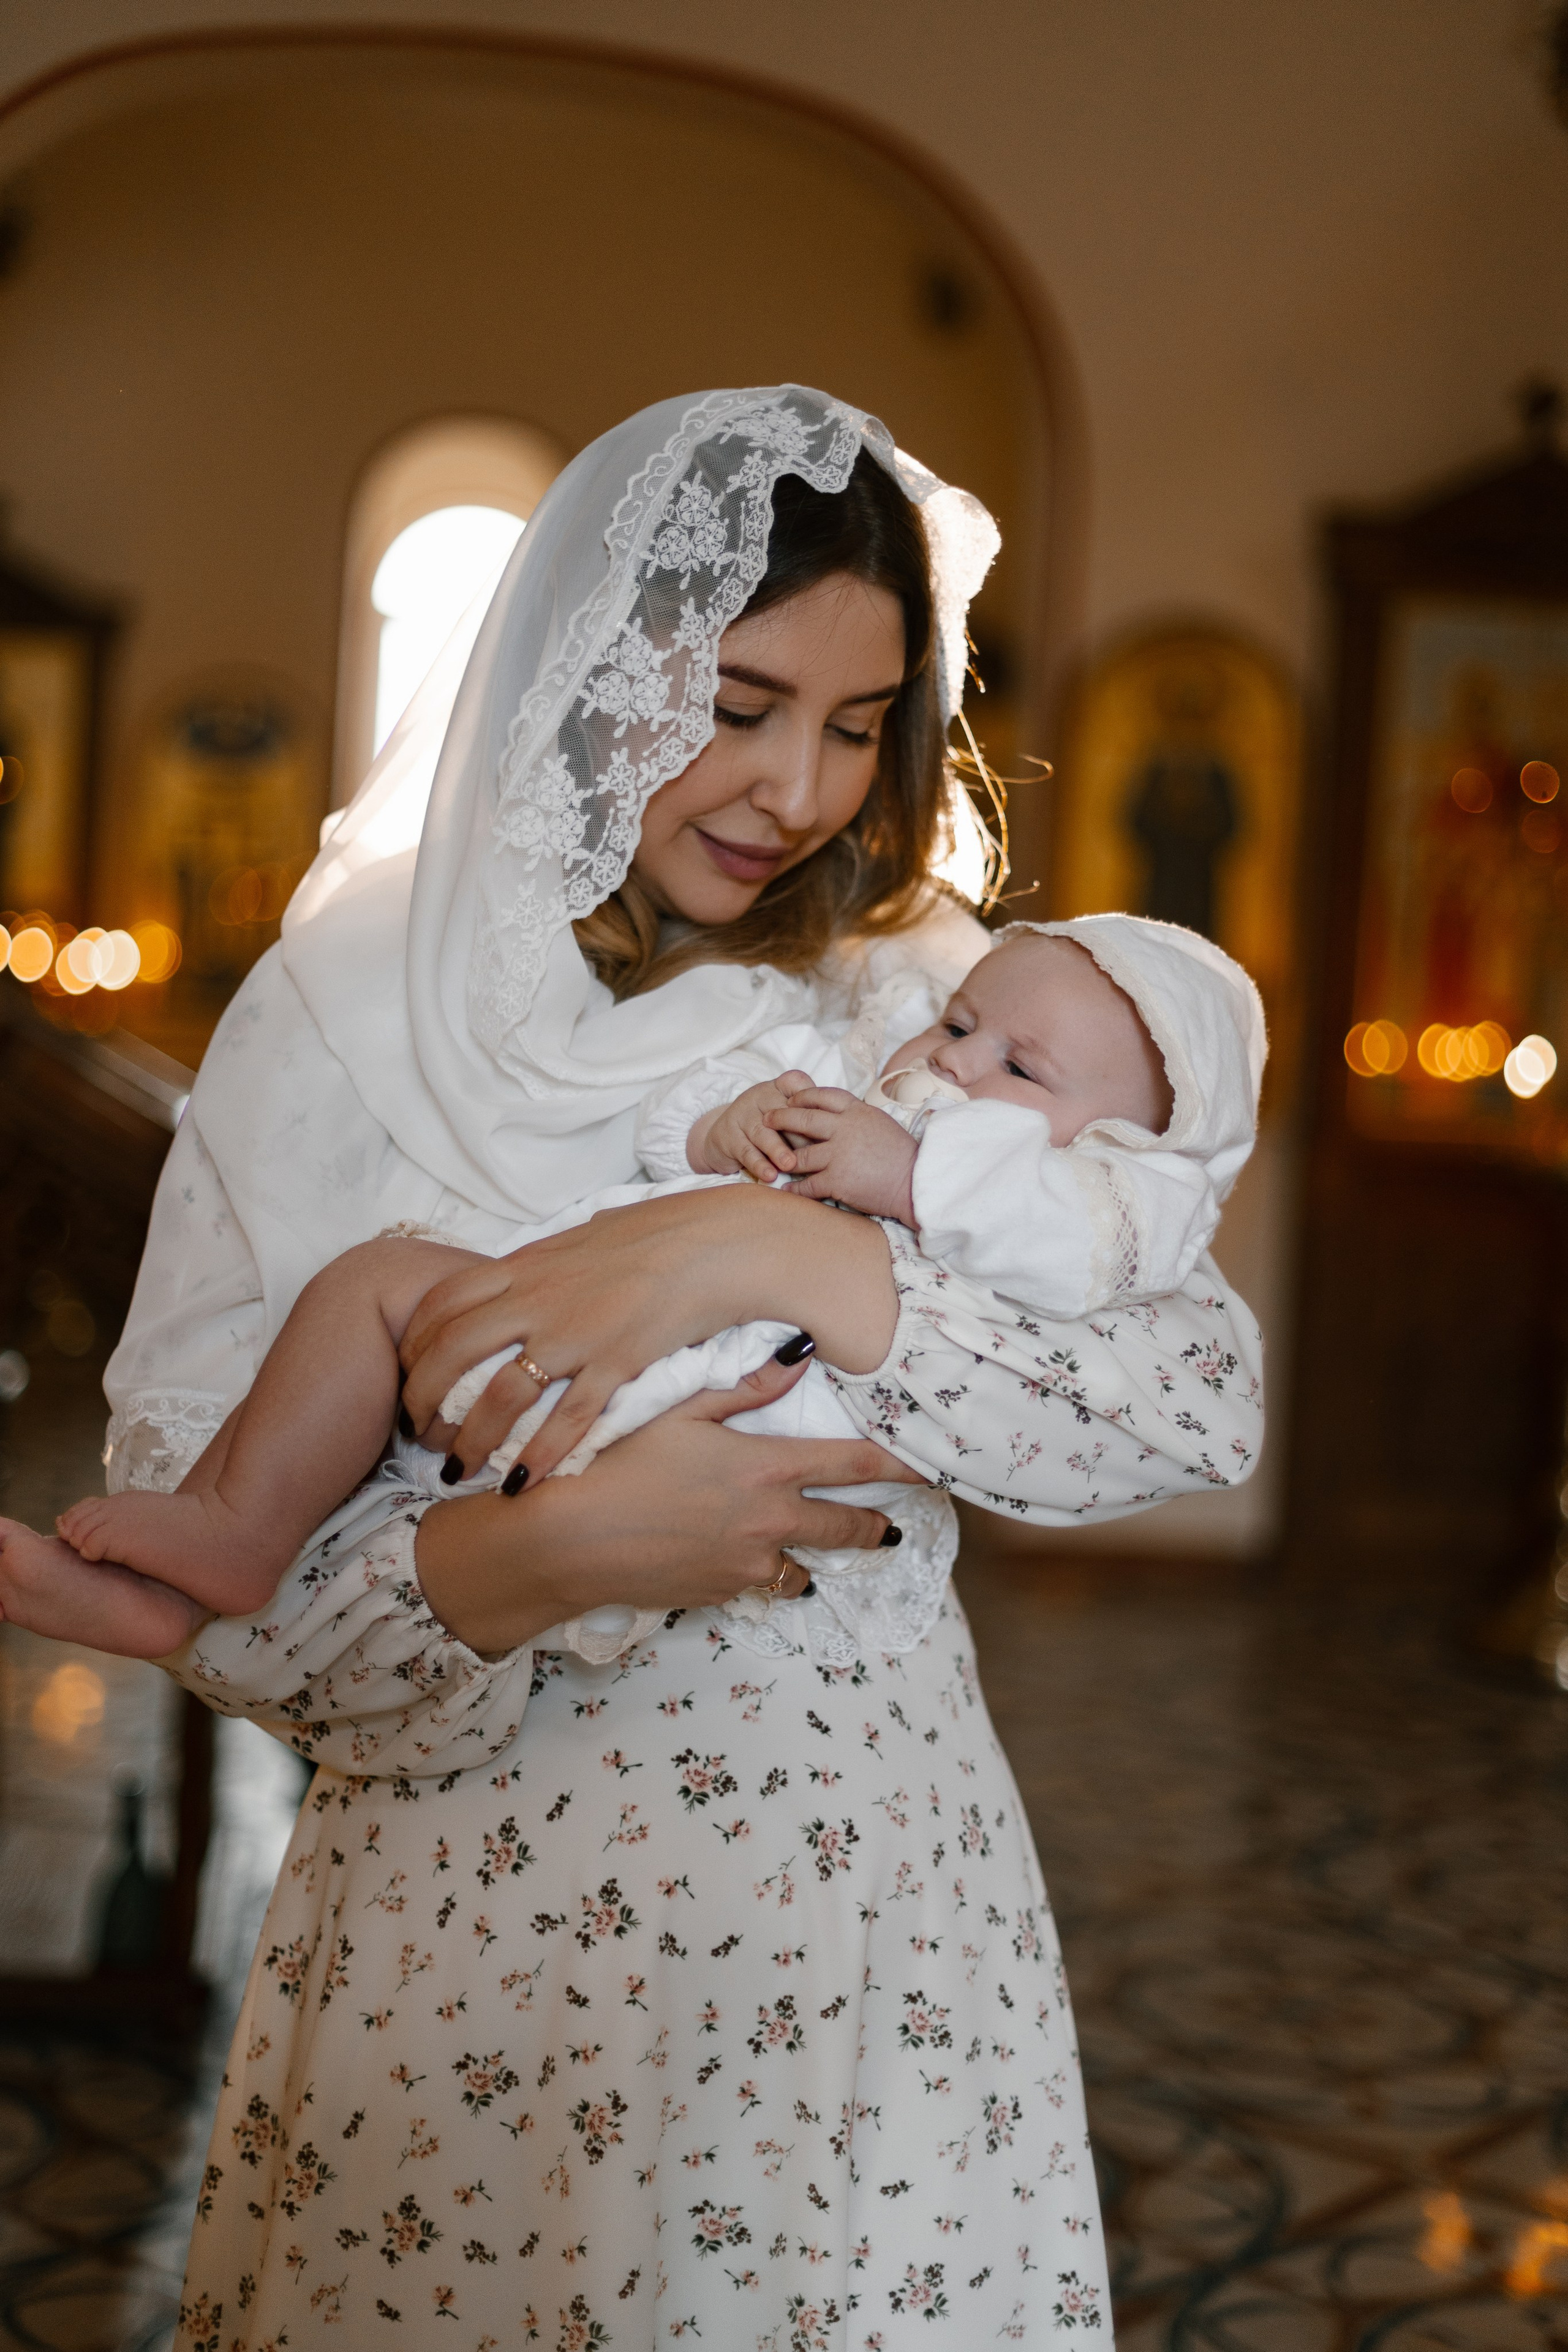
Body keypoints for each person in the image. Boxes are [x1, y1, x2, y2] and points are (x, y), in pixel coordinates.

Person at [83, 387, 1264, 2348]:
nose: (798, 789)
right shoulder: (351, 1009)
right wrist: (566, 1551)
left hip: (859, 1930)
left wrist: (755, 1242)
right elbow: (222, 1594)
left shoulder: (928, 994)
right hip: (468, 1943)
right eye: (734, 707)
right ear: (578, 664)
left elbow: (1178, 1398)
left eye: (862, 725)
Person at [1, 913, 1264, 1670]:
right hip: (540, 1332)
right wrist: (726, 1124)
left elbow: (1079, 1257)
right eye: (956, 1023)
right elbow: (677, 1125)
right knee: (373, 1279)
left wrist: (912, 1179)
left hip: (712, 1434)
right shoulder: (854, 1064)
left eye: (1017, 1066)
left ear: (1117, 1145)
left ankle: (248, 1577)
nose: (952, 1062)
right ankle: (228, 1533)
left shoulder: (1087, 1201)